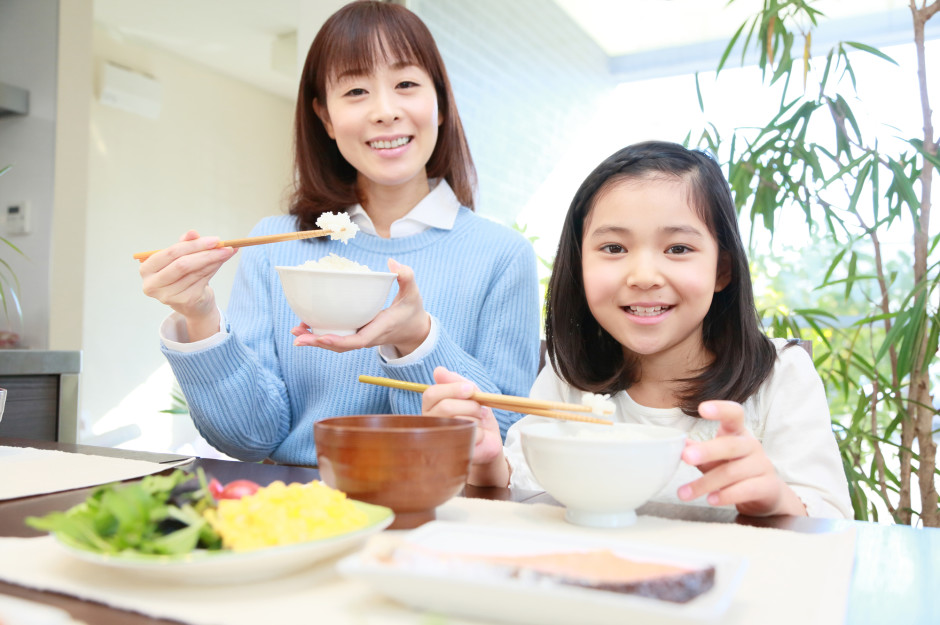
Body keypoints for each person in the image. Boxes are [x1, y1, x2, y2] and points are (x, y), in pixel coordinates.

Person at [139, 1, 540, 464]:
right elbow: (251, 437)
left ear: (441, 103)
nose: (385, 111)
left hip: (439, 513)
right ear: (325, 118)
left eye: (406, 84)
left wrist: (418, 339)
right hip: (302, 507)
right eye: (355, 91)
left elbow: (504, 432)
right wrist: (200, 315)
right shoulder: (276, 246)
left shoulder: (502, 254)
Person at [422, 141, 853, 519]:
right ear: (580, 264)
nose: (644, 275)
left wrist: (774, 498)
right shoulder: (569, 376)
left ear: (722, 268)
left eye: (678, 248)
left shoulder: (780, 375)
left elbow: (831, 521)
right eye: (614, 248)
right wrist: (484, 461)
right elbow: (523, 486)